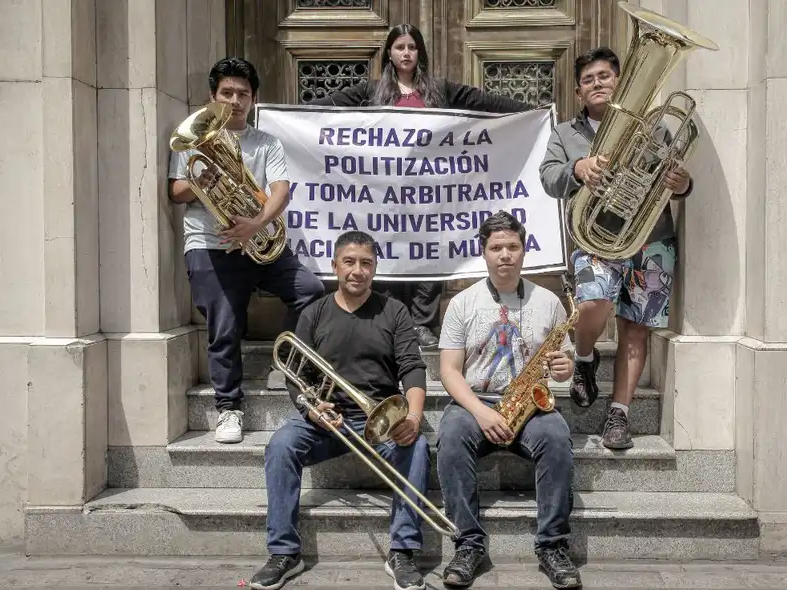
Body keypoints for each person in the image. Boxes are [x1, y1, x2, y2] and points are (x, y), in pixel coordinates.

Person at [307, 23, 534, 350]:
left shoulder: (438, 89)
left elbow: (481, 100)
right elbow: (327, 106)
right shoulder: (371, 92)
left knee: (431, 256)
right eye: (400, 47)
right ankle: (395, 322)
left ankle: (424, 323)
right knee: (391, 255)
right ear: (389, 52)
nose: (406, 53)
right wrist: (282, 119)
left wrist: (530, 114)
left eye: (412, 47)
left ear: (420, 52)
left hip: (432, 194)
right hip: (385, 197)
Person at [249, 230, 431, 590]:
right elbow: (295, 374)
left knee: (419, 447)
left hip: (378, 419)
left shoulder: (393, 311)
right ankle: (284, 552)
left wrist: (412, 416)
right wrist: (311, 408)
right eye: (349, 262)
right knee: (281, 445)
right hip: (325, 421)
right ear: (334, 266)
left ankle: (402, 550)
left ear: (375, 268)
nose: (357, 270)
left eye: (366, 263)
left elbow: (412, 367)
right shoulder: (314, 312)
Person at [539, 47, 694, 450]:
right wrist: (576, 168)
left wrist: (683, 185)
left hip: (651, 239)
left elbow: (673, 175)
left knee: (635, 329)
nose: (597, 84)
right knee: (592, 304)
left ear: (619, 80)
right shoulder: (565, 134)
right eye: (589, 79)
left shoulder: (654, 127)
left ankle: (619, 415)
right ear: (578, 91)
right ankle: (585, 357)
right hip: (596, 238)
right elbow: (548, 177)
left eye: (604, 76)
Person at [168, 57, 325, 444]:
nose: (235, 100)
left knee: (312, 291)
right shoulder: (193, 139)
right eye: (227, 93)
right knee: (224, 327)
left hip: (258, 238)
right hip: (211, 243)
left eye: (243, 94)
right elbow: (175, 193)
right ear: (213, 96)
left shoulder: (266, 142)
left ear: (253, 99)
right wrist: (201, 179)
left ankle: (286, 363)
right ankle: (229, 409)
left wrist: (255, 224)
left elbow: (281, 191)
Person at [435, 211, 581, 589]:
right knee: (449, 437)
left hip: (531, 406)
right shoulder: (462, 303)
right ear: (483, 252)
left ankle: (552, 546)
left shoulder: (548, 301)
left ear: (524, 250)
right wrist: (481, 412)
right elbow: (449, 371)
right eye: (496, 247)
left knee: (556, 439)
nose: (505, 255)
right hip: (477, 402)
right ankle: (468, 544)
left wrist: (565, 369)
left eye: (512, 247)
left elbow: (564, 365)